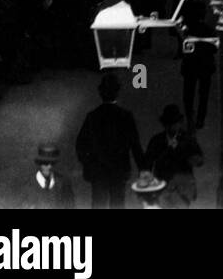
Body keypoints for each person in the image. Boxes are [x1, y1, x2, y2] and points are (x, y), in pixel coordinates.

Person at [75, 72, 144, 209]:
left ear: (101, 93)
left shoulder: (93, 116)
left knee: (98, 204)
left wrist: (88, 164)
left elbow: (80, 145)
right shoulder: (125, 116)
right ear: (117, 93)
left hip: (98, 171)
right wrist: (144, 169)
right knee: (118, 204)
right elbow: (135, 146)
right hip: (119, 170)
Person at [143, 105, 204, 209]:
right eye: (169, 123)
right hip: (163, 188)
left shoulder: (188, 140)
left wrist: (189, 156)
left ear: (179, 123)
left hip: (182, 189)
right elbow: (147, 164)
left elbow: (199, 161)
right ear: (165, 124)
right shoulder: (157, 141)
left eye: (174, 122)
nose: (172, 126)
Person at [181, 19, 216, 131]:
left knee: (189, 94)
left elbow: (184, 47)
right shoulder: (208, 30)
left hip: (191, 65)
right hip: (205, 65)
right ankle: (200, 119)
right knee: (203, 95)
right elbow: (214, 48)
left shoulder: (188, 29)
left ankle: (190, 117)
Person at [26, 143, 75, 209]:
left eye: (52, 163)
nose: (49, 166)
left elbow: (71, 206)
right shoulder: (28, 185)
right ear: (39, 163)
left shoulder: (64, 183)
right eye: (45, 163)